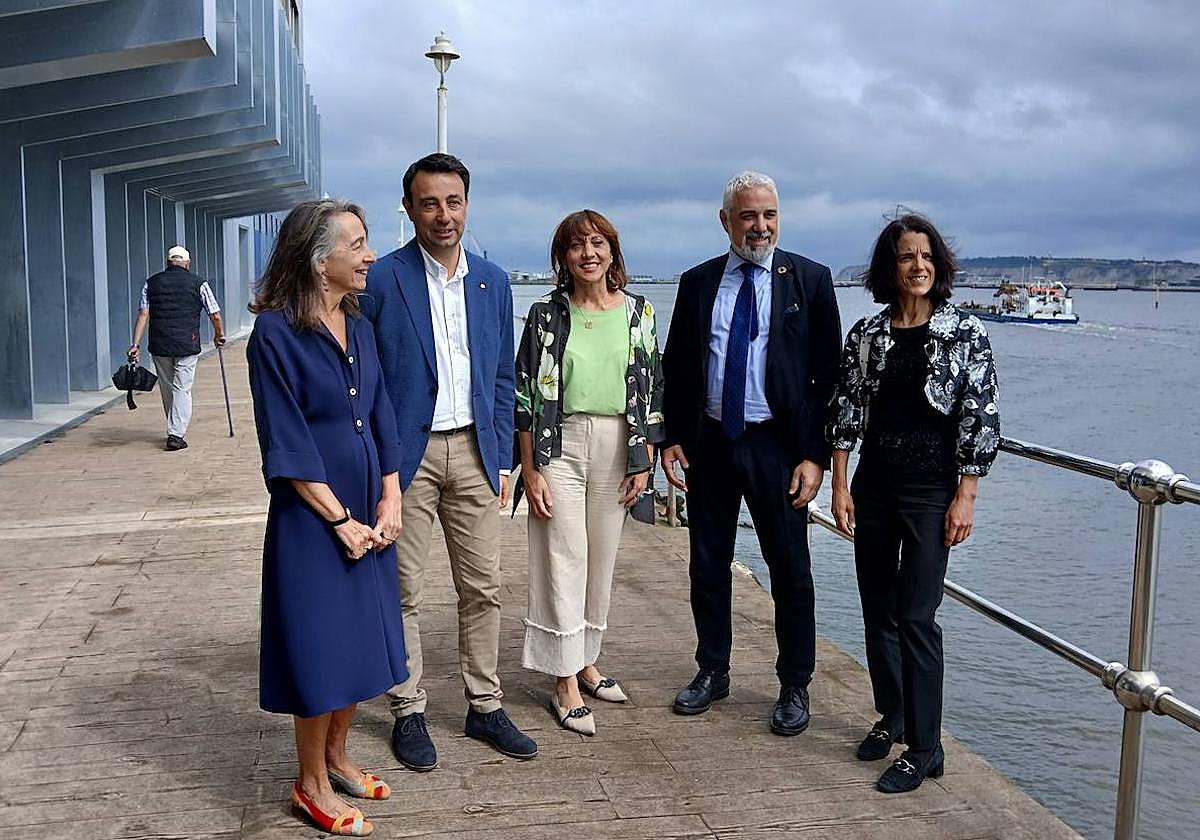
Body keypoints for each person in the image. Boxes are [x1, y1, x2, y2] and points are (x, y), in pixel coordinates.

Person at [362, 153, 536, 769]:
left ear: (467, 205)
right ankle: (407, 708)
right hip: (405, 457)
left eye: (453, 202)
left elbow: (502, 374)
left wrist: (504, 458)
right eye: (430, 203)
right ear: (409, 209)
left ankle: (484, 705)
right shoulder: (382, 279)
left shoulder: (492, 281)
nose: (443, 215)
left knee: (483, 587)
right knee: (403, 589)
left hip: (475, 453)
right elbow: (367, 377)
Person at [246, 199, 407, 837]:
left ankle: (338, 757)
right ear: (319, 261)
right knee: (320, 649)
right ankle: (309, 783)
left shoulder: (358, 325)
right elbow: (285, 442)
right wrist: (340, 520)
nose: (370, 256)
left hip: (369, 510)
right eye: (357, 244)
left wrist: (390, 495)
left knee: (362, 641)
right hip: (313, 521)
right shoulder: (274, 334)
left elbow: (382, 410)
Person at [660, 171, 842, 735]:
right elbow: (678, 364)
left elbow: (829, 378)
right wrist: (672, 437)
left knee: (790, 570)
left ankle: (795, 684)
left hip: (778, 447)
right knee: (708, 563)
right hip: (712, 441)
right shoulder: (698, 282)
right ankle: (713, 670)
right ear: (726, 221)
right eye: (748, 216)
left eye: (769, 215)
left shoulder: (810, 280)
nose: (760, 227)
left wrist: (815, 456)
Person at [827, 213, 1000, 793]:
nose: (917, 266)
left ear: (939, 264)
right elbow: (846, 411)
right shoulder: (868, 334)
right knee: (878, 609)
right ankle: (895, 716)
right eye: (906, 256)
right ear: (890, 267)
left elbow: (980, 415)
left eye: (926, 256)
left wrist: (966, 496)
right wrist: (840, 485)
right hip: (874, 486)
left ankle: (926, 747)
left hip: (932, 492)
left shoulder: (964, 332)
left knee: (918, 616)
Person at [513, 210, 664, 736]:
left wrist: (645, 460)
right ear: (563, 257)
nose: (588, 254)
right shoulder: (545, 314)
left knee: (601, 559)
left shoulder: (640, 312)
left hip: (620, 445)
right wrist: (530, 469)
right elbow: (525, 396)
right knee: (562, 557)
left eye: (597, 243)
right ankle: (563, 681)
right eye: (576, 246)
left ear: (612, 251)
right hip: (560, 445)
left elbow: (653, 388)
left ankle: (586, 661)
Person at [130, 246, 226, 450]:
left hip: (160, 343)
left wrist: (135, 344)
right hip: (187, 343)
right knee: (182, 388)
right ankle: (175, 433)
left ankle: (174, 427)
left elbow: (143, 314)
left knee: (167, 387)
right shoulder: (199, 283)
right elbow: (215, 314)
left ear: (167, 263)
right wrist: (219, 335)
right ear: (188, 264)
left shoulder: (151, 283)